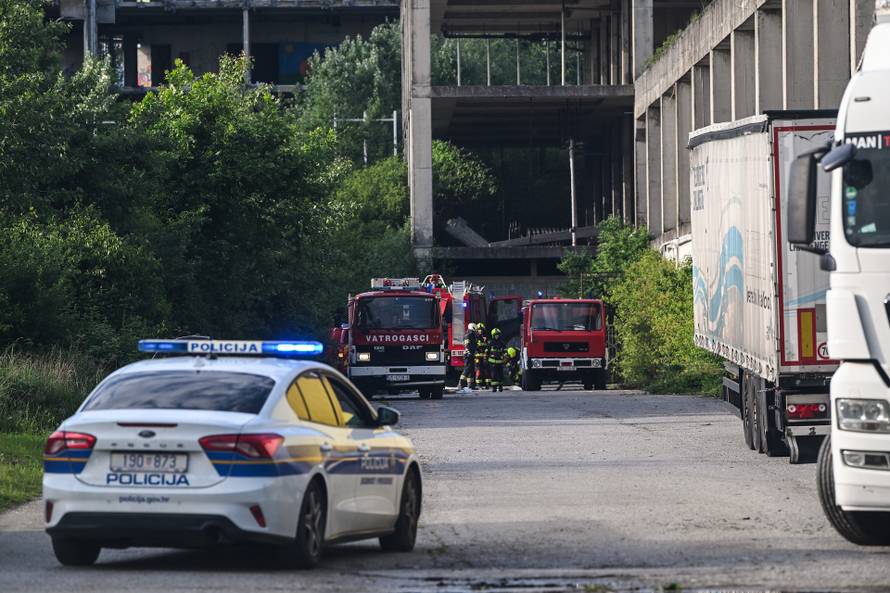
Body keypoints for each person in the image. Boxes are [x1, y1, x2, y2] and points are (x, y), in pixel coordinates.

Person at [458, 323, 478, 392]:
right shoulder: (468, 335)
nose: (476, 331)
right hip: (468, 355)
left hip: (471, 355)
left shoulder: (472, 335)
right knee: (467, 369)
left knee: (471, 370)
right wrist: (470, 352)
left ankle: (471, 385)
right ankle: (461, 384)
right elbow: (467, 345)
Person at [487, 327, 505, 392]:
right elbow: (487, 351)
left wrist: (504, 357)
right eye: (495, 335)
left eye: (498, 335)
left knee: (500, 375)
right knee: (493, 375)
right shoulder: (491, 343)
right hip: (492, 362)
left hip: (500, 362)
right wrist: (485, 359)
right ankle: (494, 387)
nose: (497, 336)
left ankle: (500, 387)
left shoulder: (502, 343)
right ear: (493, 335)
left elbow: (505, 351)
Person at [475, 323, 488, 389]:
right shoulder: (475, 338)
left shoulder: (485, 337)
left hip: (484, 357)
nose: (481, 331)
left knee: (486, 370)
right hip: (477, 357)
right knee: (479, 370)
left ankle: (486, 384)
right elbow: (474, 347)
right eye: (479, 330)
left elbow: (487, 347)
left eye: (482, 329)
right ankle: (478, 384)